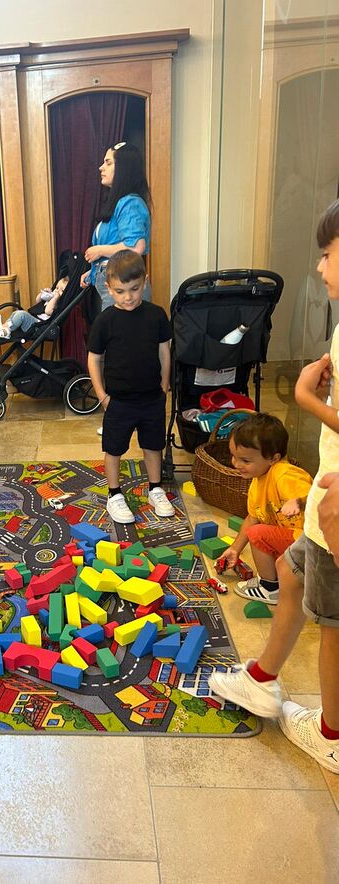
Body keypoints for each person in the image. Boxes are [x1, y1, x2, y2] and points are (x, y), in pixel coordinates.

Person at [209, 199, 339, 773]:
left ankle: (332, 735)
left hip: (333, 506)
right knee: (289, 570)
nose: (320, 266)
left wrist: (307, 397)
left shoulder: (285, 475)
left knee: (332, 623)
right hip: (322, 509)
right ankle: (262, 678)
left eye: (328, 253)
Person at [87, 249, 174, 524]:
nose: (128, 297)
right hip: (119, 400)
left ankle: (155, 489)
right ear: (109, 288)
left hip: (152, 397)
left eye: (134, 289)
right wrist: (102, 396)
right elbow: (94, 359)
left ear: (145, 282)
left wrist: (164, 386)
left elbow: (164, 352)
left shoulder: (156, 315)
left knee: (153, 445)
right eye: (120, 291)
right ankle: (114, 494)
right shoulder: (105, 321)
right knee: (114, 448)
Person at [226, 413, 312, 605]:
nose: (236, 464)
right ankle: (288, 581)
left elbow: (319, 499)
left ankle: (270, 588)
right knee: (258, 530)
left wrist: (298, 502)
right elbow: (252, 518)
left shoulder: (284, 474)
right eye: (234, 456)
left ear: (274, 458)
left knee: (257, 534)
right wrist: (234, 549)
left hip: (311, 542)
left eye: (245, 460)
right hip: (297, 542)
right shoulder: (258, 481)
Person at [81, 142, 152, 311]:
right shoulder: (121, 203)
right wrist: (93, 272)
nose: (101, 167)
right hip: (114, 282)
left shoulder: (130, 203)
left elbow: (135, 247)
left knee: (119, 327)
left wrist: (99, 250)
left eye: (108, 163)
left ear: (123, 168)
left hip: (124, 287)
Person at [0, 276, 68, 338]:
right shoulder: (50, 299)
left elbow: (47, 311)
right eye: (57, 288)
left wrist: (55, 298)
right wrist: (43, 294)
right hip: (34, 319)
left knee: (22, 315)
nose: (57, 291)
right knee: (16, 313)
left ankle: (6, 331)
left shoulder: (57, 304)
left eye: (62, 290)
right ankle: (4, 327)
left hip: (38, 326)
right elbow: (38, 301)